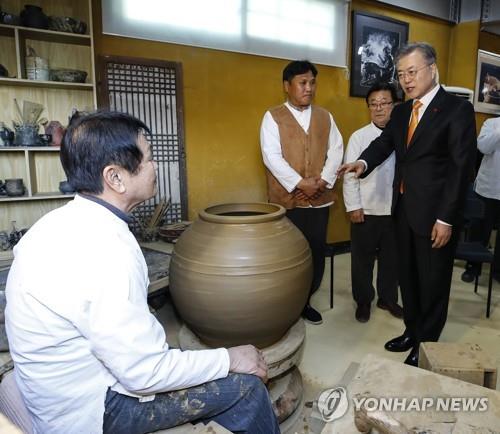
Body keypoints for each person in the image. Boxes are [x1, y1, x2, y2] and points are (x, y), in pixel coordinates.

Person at [5, 111, 280, 434]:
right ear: (115, 178)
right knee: (247, 388)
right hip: (87, 410)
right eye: (149, 159)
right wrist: (230, 358)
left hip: (57, 387)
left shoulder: (54, 223)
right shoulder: (109, 249)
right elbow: (144, 371)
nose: (156, 167)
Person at [338, 42, 477, 366]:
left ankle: (426, 344)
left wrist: (447, 218)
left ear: (432, 68)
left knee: (433, 283)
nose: (406, 80)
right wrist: (362, 163)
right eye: (401, 74)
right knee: (409, 279)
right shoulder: (402, 112)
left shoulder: (456, 110)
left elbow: (461, 168)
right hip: (403, 212)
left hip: (435, 217)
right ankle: (412, 331)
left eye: (412, 72)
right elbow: (383, 143)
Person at [260, 60, 344, 325]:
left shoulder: (325, 116)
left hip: (319, 201)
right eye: (302, 83)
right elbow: (271, 157)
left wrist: (322, 182)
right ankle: (288, 302)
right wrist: (299, 183)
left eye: (312, 83)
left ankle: (306, 301)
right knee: (289, 254)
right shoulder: (273, 117)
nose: (309, 88)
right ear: (287, 86)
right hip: (287, 201)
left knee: (316, 250)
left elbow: (337, 150)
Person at [343, 82, 403, 323]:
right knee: (362, 260)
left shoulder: (403, 135)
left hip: (395, 210)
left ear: (395, 105)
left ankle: (387, 298)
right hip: (365, 209)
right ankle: (363, 300)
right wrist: (353, 206)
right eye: (373, 104)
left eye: (385, 103)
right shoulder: (359, 136)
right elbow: (349, 175)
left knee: (392, 259)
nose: (379, 109)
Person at [461, 116, 500, 283]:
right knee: (479, 231)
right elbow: (483, 147)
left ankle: (498, 272)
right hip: (488, 188)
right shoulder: (491, 123)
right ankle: (473, 267)